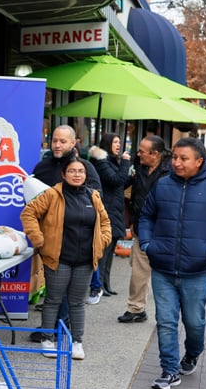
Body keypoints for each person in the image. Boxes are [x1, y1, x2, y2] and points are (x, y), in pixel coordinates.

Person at [139, 137, 206, 389]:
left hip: (196, 271)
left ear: (199, 161)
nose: (177, 163)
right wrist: (147, 243)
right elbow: (146, 215)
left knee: (194, 323)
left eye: (183, 158)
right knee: (166, 321)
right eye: (174, 157)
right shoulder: (163, 185)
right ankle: (169, 370)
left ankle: (193, 353)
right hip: (162, 268)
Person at [21, 155, 111, 361]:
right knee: (53, 300)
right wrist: (39, 239)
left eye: (80, 171)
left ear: (86, 175)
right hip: (58, 259)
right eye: (72, 171)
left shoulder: (93, 197)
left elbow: (105, 223)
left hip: (85, 261)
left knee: (77, 303)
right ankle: (47, 339)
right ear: (63, 174)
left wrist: (102, 242)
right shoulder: (52, 195)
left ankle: (76, 342)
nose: (76, 175)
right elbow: (29, 213)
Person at [29, 125, 102, 339]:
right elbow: (30, 203)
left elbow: (99, 202)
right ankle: (55, 327)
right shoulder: (42, 167)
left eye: (62, 141)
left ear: (73, 143)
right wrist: (38, 235)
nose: (57, 145)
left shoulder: (84, 167)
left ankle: (57, 328)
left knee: (70, 292)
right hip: (51, 241)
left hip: (78, 242)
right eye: (54, 140)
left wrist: (100, 239)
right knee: (55, 290)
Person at [118, 135, 171, 324]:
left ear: (155, 154)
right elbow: (120, 184)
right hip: (141, 227)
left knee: (164, 273)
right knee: (139, 270)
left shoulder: (172, 170)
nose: (138, 153)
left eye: (142, 151)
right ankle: (136, 309)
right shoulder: (138, 166)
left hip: (165, 230)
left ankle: (167, 312)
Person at [88, 133, 131, 296]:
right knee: (103, 252)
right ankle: (98, 285)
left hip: (115, 210)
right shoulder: (100, 161)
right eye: (115, 142)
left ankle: (106, 283)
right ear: (107, 144)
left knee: (110, 250)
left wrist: (131, 178)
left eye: (119, 142)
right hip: (107, 211)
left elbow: (120, 183)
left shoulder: (111, 161)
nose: (118, 145)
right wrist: (126, 163)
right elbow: (114, 180)